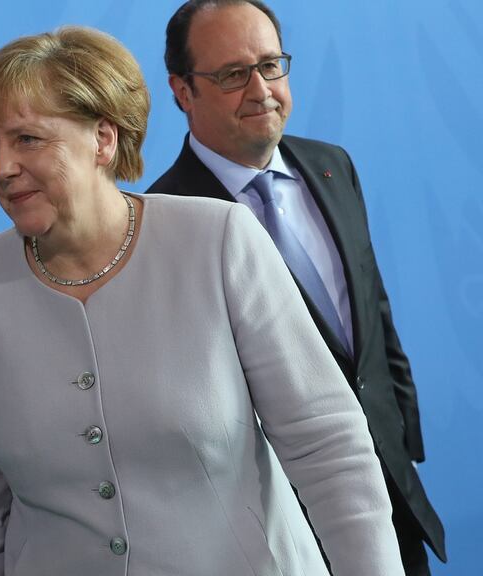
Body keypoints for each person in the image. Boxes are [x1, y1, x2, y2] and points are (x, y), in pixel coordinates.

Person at [0, 25, 403, 576]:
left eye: (27, 140)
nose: (1, 168)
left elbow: (328, 448)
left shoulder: (219, 237)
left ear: (103, 139)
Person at [145, 1, 445, 573]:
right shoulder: (167, 222)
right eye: (233, 74)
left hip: (388, 493)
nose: (260, 89)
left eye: (271, 64)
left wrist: (400, 437)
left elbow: (371, 310)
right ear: (183, 91)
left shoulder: (332, 165)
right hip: (274, 524)